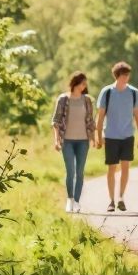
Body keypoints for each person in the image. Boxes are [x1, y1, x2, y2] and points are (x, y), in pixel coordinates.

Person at [95, 62, 138, 212]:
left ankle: (121, 198)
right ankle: (111, 200)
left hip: (128, 135)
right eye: (124, 75)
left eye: (128, 75)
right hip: (110, 135)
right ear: (117, 75)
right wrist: (98, 136)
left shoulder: (134, 92)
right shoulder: (107, 92)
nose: (127, 78)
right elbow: (100, 116)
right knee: (111, 168)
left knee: (125, 168)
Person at [52, 72, 94, 213]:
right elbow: (56, 122)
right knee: (70, 171)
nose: (84, 86)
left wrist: (93, 138)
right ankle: (69, 200)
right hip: (67, 141)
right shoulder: (63, 99)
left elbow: (90, 121)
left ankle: (76, 201)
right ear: (75, 83)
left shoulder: (87, 100)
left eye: (85, 84)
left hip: (83, 141)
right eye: (82, 83)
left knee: (80, 172)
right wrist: (56, 140)